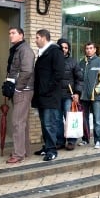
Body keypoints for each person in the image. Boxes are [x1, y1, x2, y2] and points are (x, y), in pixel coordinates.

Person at [30, 29, 65, 161]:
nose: (36, 40)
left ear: (44, 38)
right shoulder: (42, 53)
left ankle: (52, 150)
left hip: (50, 96)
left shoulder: (55, 52)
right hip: (41, 96)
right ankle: (47, 146)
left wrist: (47, 90)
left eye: (37, 37)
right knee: (44, 123)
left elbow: (58, 75)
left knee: (49, 123)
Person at [5, 27, 35, 164]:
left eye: (13, 33)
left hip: (23, 90)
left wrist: (18, 88)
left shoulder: (25, 50)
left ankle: (18, 154)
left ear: (21, 35)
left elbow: (27, 70)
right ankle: (24, 151)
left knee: (17, 122)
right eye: (9, 33)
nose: (10, 35)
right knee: (22, 122)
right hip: (19, 89)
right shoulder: (17, 49)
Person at [79, 42, 100, 149]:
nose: (88, 50)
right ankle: (85, 139)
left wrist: (96, 91)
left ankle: (98, 141)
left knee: (97, 120)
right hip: (83, 97)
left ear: (95, 49)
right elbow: (78, 79)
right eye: (87, 48)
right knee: (84, 119)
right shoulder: (81, 62)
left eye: (91, 48)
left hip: (96, 97)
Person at [56, 38, 83, 149]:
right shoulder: (53, 60)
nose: (64, 49)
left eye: (66, 48)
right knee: (57, 119)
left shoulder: (73, 61)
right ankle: (60, 141)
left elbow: (79, 79)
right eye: (62, 47)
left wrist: (77, 93)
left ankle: (71, 141)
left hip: (68, 95)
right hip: (56, 95)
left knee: (70, 118)